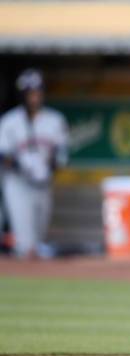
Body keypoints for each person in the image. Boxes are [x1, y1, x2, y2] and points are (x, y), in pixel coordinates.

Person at [0, 69, 69, 259]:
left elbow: (62, 153)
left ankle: (38, 278)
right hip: (18, 184)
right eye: (31, 93)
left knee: (39, 237)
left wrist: (52, 165)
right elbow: (3, 154)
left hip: (44, 182)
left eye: (38, 92)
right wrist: (21, 166)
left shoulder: (55, 120)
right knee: (26, 242)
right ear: (22, 95)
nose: (35, 97)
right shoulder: (9, 122)